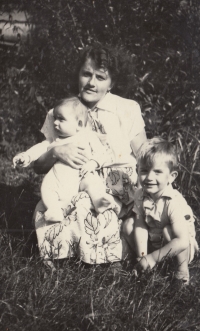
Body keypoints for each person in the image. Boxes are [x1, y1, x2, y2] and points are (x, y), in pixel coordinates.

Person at [32, 43, 147, 265]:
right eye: (86, 74)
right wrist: (56, 151)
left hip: (118, 179)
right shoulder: (60, 112)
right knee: (55, 205)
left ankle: (110, 258)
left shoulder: (126, 108)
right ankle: (65, 257)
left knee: (94, 200)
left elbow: (144, 155)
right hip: (73, 179)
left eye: (100, 77)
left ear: (111, 82)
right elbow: (38, 166)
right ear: (78, 75)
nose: (92, 83)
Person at [13, 96, 121, 221]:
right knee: (47, 187)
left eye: (61, 119)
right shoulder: (55, 141)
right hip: (57, 180)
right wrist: (27, 156)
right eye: (55, 118)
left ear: (79, 124)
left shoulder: (87, 136)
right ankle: (53, 210)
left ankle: (100, 202)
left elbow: (103, 153)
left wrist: (93, 163)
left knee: (92, 182)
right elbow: (41, 147)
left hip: (81, 177)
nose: (55, 123)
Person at [123, 137, 198, 284]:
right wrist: (143, 256)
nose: (149, 177)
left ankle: (181, 273)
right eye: (144, 170)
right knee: (128, 224)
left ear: (171, 177)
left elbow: (182, 241)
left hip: (180, 248)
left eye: (157, 172)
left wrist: (152, 258)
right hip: (155, 241)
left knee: (167, 231)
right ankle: (146, 266)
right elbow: (141, 225)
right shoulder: (140, 194)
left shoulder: (173, 201)